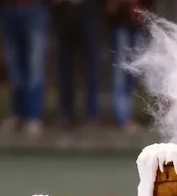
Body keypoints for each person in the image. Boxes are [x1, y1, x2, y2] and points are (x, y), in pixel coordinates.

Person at [0, 0, 51, 135]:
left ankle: (33, 116)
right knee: (14, 65)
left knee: (35, 64)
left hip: (35, 7)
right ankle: (17, 112)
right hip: (8, 7)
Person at [53, 0, 101, 128]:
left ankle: (92, 115)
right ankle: (65, 113)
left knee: (92, 68)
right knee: (65, 68)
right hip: (65, 10)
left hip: (88, 9)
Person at [107, 0, 151, 132]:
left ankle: (126, 115)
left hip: (138, 24)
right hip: (122, 22)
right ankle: (121, 116)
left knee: (132, 72)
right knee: (121, 71)